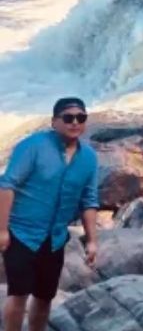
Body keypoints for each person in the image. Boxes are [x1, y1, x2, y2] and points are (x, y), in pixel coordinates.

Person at [0, 98, 99, 331]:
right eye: (68, 118)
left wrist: (92, 240)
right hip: (21, 233)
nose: (75, 122)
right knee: (19, 294)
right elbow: (7, 186)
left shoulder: (89, 158)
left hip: (55, 238)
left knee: (45, 297)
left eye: (80, 118)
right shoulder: (32, 146)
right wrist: (2, 229)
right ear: (55, 122)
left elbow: (89, 200)